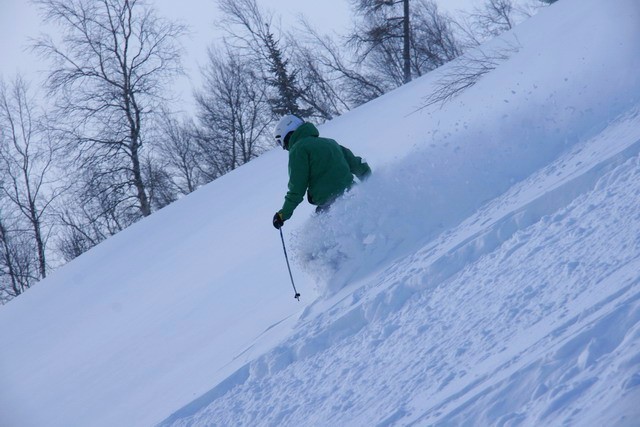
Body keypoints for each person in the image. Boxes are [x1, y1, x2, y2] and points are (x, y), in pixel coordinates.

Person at [272, 114, 371, 229]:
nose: (283, 147)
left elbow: (297, 189)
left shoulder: (298, 150)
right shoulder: (330, 143)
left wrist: (282, 214)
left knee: (325, 241)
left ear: (286, 133)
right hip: (354, 194)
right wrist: (372, 184)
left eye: (280, 142)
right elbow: (357, 164)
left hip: (331, 206)